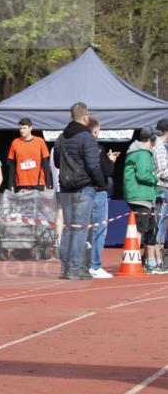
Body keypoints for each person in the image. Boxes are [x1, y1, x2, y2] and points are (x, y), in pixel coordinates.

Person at [53, 102, 105, 280]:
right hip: (83, 187)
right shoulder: (87, 138)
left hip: (66, 187)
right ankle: (76, 268)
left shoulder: (61, 137)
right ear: (85, 117)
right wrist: (100, 183)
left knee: (69, 227)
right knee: (80, 228)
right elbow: (93, 165)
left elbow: (56, 163)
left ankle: (65, 268)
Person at [123, 126, 162, 273]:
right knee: (140, 229)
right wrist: (156, 179)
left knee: (152, 228)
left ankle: (150, 262)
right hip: (140, 196)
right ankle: (134, 262)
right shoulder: (143, 153)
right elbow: (143, 175)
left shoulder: (141, 151)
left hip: (144, 195)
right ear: (152, 139)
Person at [87, 117, 119, 279]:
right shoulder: (97, 149)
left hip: (80, 192)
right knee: (99, 229)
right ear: (95, 131)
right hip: (97, 191)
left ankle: (80, 265)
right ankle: (94, 265)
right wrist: (110, 161)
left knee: (82, 230)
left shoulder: (76, 148)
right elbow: (107, 171)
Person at [8, 118, 52, 191]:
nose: (22, 130)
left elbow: (45, 164)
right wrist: (10, 184)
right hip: (21, 184)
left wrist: (48, 184)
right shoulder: (15, 143)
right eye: (20, 128)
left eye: (24, 128)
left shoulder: (40, 141)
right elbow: (12, 165)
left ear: (30, 128)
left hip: (38, 183)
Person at [153, 118, 168, 251]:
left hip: (160, 188)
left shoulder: (158, 145)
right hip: (161, 189)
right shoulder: (160, 147)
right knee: (159, 225)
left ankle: (155, 257)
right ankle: (156, 258)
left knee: (159, 224)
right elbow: (162, 172)